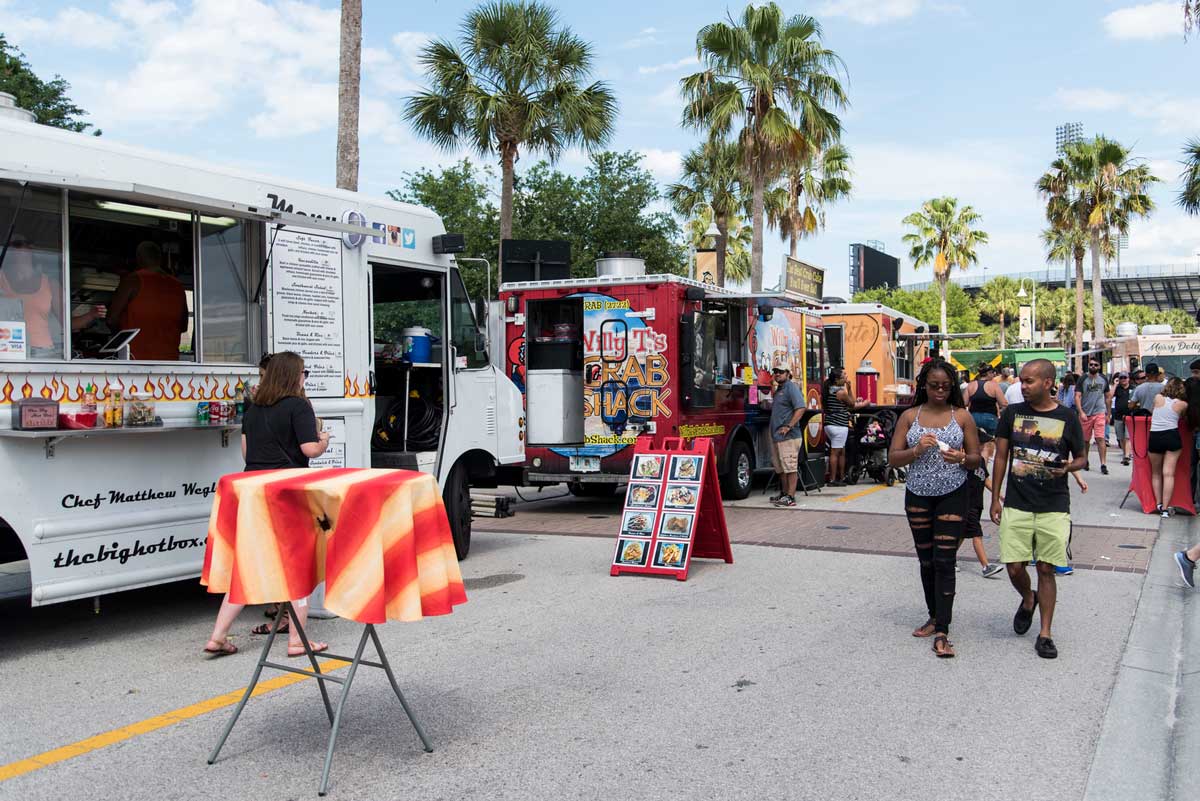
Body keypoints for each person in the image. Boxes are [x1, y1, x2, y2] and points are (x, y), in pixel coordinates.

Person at [203, 352, 332, 658]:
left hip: (253, 491)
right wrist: (324, 439)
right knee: (298, 563)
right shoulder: (299, 405)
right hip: (286, 492)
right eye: (303, 372)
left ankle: (218, 636)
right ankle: (298, 641)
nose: (305, 377)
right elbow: (309, 449)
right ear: (293, 375)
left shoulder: (254, 407)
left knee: (249, 564)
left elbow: (247, 455)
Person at [990, 359, 1087, 660]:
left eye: (1029, 381)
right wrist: (995, 497)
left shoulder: (1067, 417)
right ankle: (1028, 599)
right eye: (1021, 380)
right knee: (1014, 566)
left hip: (1053, 505)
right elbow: (1001, 457)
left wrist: (1069, 467)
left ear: (1047, 383)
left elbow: (1082, 458)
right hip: (1017, 502)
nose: (1023, 386)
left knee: (1046, 567)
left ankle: (1045, 634)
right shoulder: (1012, 413)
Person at [888, 359, 981, 659]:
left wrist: (963, 458)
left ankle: (943, 628)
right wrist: (917, 450)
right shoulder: (909, 416)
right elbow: (893, 459)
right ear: (923, 386)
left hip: (953, 493)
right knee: (926, 560)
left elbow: (977, 459)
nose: (940, 390)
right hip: (917, 495)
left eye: (945, 385)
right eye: (933, 385)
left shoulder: (963, 417)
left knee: (944, 560)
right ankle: (933, 615)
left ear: (952, 386)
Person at [0, 236, 104, 357]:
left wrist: (91, 315)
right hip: (8, 350)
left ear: (30, 249)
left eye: (19, 244)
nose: (15, 249)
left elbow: (68, 324)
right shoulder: (1, 280)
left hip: (44, 352)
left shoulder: (50, 284)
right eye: (9, 245)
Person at [107, 241, 189, 361]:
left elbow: (111, 319)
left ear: (138, 258)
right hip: (170, 361)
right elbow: (183, 326)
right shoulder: (178, 286)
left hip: (136, 360)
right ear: (160, 259)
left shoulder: (132, 280)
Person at [964, 432, 1005, 579]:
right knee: (977, 534)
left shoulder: (980, 461)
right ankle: (986, 566)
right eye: (986, 444)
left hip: (977, 504)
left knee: (962, 533)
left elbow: (985, 479)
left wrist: (998, 494)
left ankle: (947, 559)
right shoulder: (967, 460)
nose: (988, 447)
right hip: (967, 503)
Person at [1148, 378, 1189, 519]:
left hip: (1155, 436)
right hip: (1172, 436)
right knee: (1169, 474)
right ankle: (1165, 509)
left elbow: (1153, 411)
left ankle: (1158, 504)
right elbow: (1182, 418)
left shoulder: (1158, 397)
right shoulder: (1183, 404)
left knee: (1156, 473)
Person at [822, 366, 868, 486]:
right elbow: (852, 404)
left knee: (841, 451)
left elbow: (843, 405)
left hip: (830, 424)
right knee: (835, 452)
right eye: (844, 376)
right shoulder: (841, 392)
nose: (846, 378)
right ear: (837, 380)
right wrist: (850, 388)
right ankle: (833, 479)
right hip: (838, 425)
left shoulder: (829, 389)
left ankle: (841, 477)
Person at [769, 366, 806, 507]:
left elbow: (801, 408)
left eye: (780, 372)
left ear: (788, 374)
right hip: (778, 436)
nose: (777, 374)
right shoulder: (780, 390)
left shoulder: (791, 387)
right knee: (781, 468)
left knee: (790, 467)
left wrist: (789, 426)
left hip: (789, 436)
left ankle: (791, 497)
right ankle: (784, 494)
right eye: (775, 372)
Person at [1077, 358, 1112, 474]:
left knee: (1100, 438)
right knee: (1085, 440)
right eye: (1091, 364)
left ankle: (1103, 464)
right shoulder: (1083, 379)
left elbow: (1108, 397)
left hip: (1099, 412)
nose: (1093, 366)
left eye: (1095, 365)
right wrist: (1081, 412)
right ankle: (1085, 461)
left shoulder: (1103, 379)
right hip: (1086, 413)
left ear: (1099, 367)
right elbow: (1077, 396)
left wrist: (1108, 413)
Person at [965, 363, 1007, 435]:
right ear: (988, 373)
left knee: (975, 441)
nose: (994, 375)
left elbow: (964, 402)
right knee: (992, 442)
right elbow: (1003, 403)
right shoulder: (993, 385)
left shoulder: (971, 385)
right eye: (992, 373)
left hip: (973, 418)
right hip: (990, 418)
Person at [1112, 372, 1132, 465]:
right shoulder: (1117, 388)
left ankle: (1127, 456)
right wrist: (1115, 385)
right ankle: (1125, 454)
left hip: (1129, 416)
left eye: (1125, 377)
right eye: (1121, 378)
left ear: (1128, 378)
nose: (1123, 379)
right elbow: (1110, 396)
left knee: (1128, 437)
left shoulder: (1133, 389)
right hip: (1118, 416)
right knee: (1120, 437)